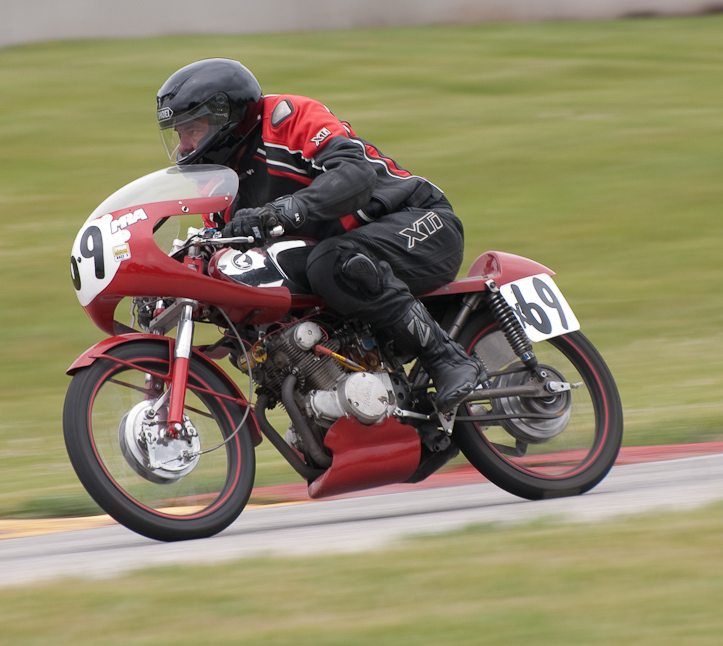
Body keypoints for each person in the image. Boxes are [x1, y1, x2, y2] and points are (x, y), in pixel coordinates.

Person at [156, 58, 486, 414]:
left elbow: (355, 173)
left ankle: (448, 359)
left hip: (419, 220)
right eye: (179, 134)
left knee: (331, 261)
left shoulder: (286, 118)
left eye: (193, 130)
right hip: (346, 250)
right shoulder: (220, 185)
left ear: (227, 116)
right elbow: (223, 246)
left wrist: (286, 209)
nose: (184, 146)